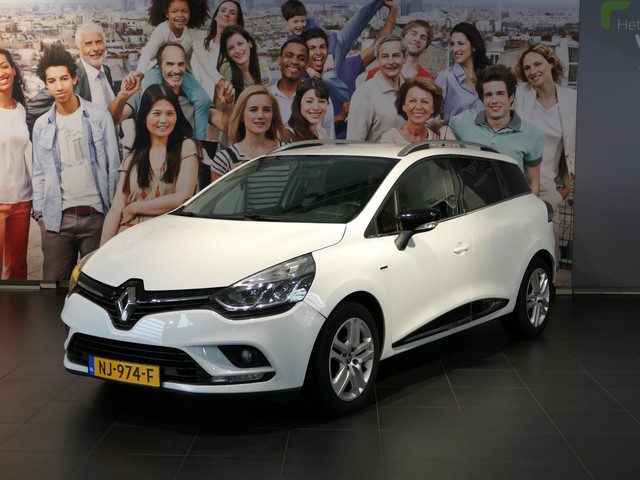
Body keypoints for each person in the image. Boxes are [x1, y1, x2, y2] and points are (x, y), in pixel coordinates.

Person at [31, 44, 120, 281]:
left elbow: (113, 168)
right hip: (57, 220)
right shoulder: (42, 125)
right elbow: (38, 173)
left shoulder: (99, 117)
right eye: (52, 81)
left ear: (73, 78)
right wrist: (40, 215)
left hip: (96, 216)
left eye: (63, 78)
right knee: (53, 287)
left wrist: (111, 214)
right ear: (46, 85)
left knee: (97, 285)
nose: (59, 86)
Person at [100, 84, 199, 245]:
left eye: (170, 113)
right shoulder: (131, 158)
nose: (163, 120)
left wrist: (135, 208)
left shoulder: (186, 148)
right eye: (157, 113)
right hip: (128, 239)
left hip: (168, 240)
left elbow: (182, 198)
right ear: (145, 116)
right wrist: (101, 252)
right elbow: (116, 210)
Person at [515, 43, 576, 258]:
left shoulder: (572, 100)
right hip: (517, 188)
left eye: (537, 64)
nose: (532, 71)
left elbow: (576, 148)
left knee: (549, 256)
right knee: (518, 253)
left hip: (548, 190)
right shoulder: (520, 95)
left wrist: (564, 190)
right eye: (527, 68)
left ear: (551, 63)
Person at [303, 0, 396, 138]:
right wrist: (341, 116)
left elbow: (379, 45)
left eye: (322, 47)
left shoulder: (346, 66)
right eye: (312, 48)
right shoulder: (302, 80)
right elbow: (301, 124)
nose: (318, 52)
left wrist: (393, 11)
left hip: (353, 140)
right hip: (321, 144)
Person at [448, 64, 543, 195]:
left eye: (500, 94)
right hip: (471, 205)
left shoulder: (532, 134)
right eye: (488, 95)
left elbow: (534, 183)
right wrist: (444, 130)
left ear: (511, 97)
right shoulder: (463, 122)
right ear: (482, 99)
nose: (494, 100)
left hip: (511, 204)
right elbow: (438, 125)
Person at [136, 0, 224, 141]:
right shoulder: (162, 30)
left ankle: (199, 140)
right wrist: (140, 73)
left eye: (184, 11)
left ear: (191, 12)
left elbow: (204, 60)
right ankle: (144, 138)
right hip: (156, 69)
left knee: (203, 100)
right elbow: (148, 52)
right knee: (148, 95)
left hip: (182, 72)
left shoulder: (192, 34)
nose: (180, 15)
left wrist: (219, 81)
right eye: (175, 11)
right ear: (166, 13)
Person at [26, 23, 118, 133]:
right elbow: (30, 111)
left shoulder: (105, 71)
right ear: (78, 49)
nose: (96, 48)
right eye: (88, 44)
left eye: (99, 42)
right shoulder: (69, 76)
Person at [210, 85, 287, 181]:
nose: (261, 115)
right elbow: (217, 191)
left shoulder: (287, 151)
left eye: (266, 110)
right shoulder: (224, 159)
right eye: (253, 110)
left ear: (273, 115)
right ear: (242, 115)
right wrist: (232, 180)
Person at [0, 49, 31, 280]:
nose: (1, 73)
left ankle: (16, 305)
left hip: (22, 199)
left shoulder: (21, 109)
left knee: (18, 268)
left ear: (13, 69)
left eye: (4, 66)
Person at [269, 39, 334, 138]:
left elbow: (329, 136)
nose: (294, 61)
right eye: (289, 56)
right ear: (279, 60)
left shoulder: (320, 96)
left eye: (301, 58)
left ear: (307, 65)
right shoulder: (267, 96)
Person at [346, 35, 405, 142]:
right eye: (385, 56)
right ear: (378, 60)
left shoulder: (410, 89)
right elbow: (354, 142)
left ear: (404, 58)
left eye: (396, 55)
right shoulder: (364, 93)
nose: (391, 61)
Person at [435, 22, 492, 122]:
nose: (454, 49)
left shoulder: (487, 76)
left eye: (460, 43)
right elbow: (431, 117)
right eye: (452, 44)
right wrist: (445, 127)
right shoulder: (444, 78)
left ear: (473, 46)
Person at [381, 77, 453, 145]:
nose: (418, 107)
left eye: (424, 101)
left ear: (433, 108)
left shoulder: (437, 140)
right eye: (412, 101)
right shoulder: (390, 139)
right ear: (403, 106)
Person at [366, 19, 434, 81]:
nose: (417, 39)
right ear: (402, 38)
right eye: (413, 34)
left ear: (425, 48)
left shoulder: (428, 79)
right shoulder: (376, 73)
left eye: (423, 38)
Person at [280, 0, 336, 73]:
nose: (300, 25)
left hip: (327, 53)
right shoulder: (291, 42)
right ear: (285, 21)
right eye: (295, 22)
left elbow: (330, 36)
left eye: (303, 21)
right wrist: (308, 69)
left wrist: (330, 55)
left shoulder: (311, 23)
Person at [218, 25, 271, 98]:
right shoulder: (227, 71)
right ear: (227, 54)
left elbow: (267, 98)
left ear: (249, 43)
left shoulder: (262, 66)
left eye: (240, 44)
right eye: (231, 48)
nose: (237, 51)